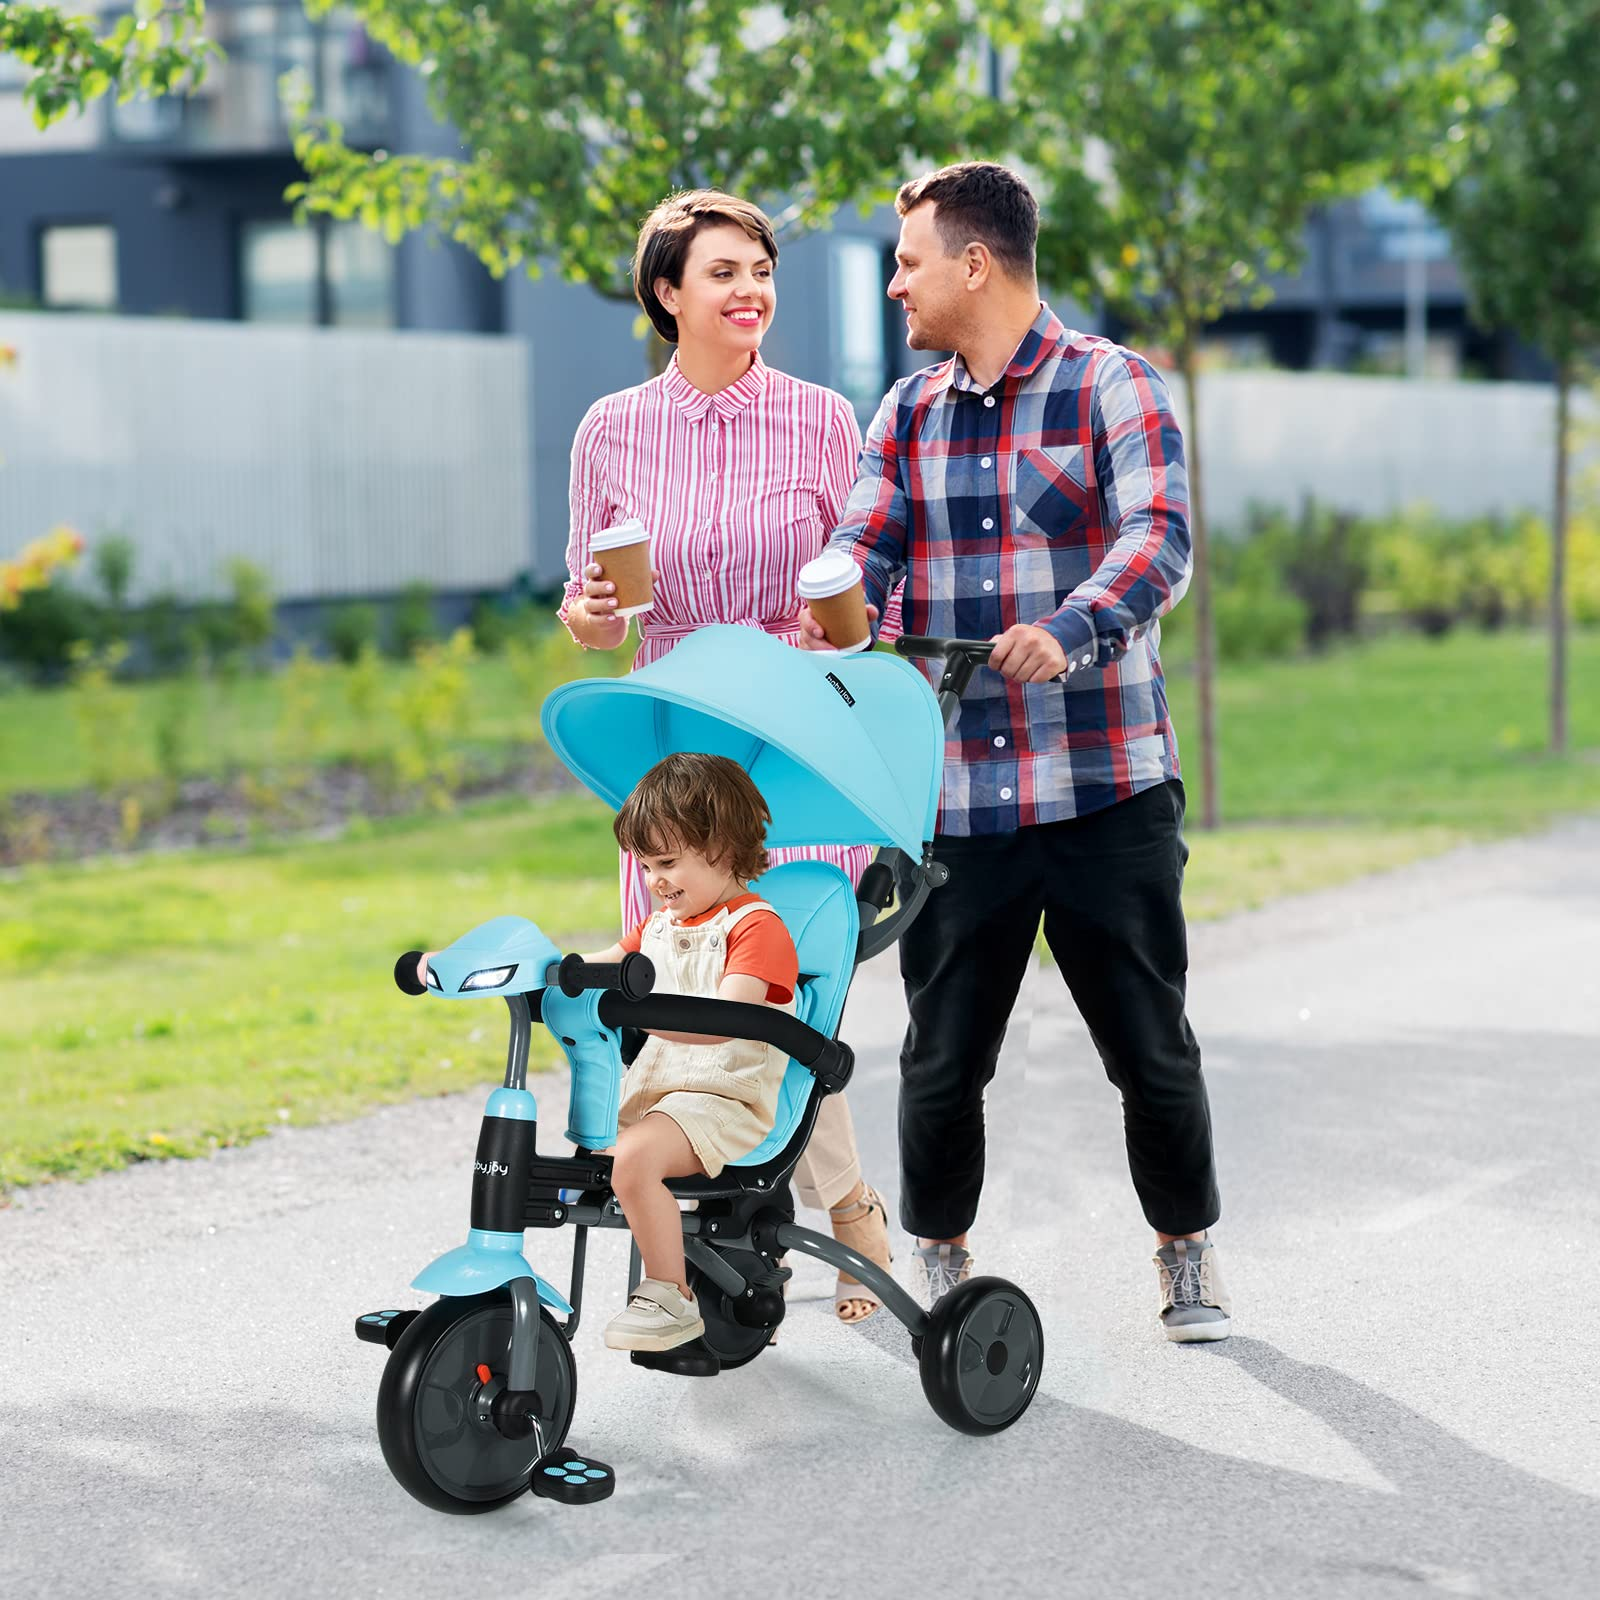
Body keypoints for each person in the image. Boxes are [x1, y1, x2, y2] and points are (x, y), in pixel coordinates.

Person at [798, 162, 1231, 1343]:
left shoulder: (1113, 386)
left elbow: (1161, 539)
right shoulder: (908, 412)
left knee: (1149, 1050)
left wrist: (1073, 626)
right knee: (942, 1063)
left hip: (1103, 787)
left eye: (907, 260)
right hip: (960, 801)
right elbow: (863, 545)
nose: (895, 283)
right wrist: (830, 612)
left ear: (973, 263)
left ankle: (1185, 1251)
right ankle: (936, 1265)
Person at [559, 189, 901, 1324]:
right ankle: (707, 1239)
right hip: (669, 741)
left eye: (760, 269)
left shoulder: (818, 418)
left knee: (779, 985)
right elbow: (596, 618)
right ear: (668, 293)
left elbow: (860, 587)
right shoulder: (609, 430)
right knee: (674, 990)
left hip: (789, 732)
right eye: (723, 271)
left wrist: (835, 625)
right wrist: (590, 611)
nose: (751, 289)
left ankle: (843, 1212)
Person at [566, 754, 800, 1353]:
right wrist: (538, 974)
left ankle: (671, 1294)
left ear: (722, 848)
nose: (654, 881)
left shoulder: (757, 929)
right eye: (645, 866)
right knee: (582, 1162)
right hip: (664, 1095)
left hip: (723, 1096)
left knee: (634, 1163)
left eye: (666, 863)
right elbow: (597, 966)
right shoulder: (660, 925)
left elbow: (730, 1017)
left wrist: (641, 1014)